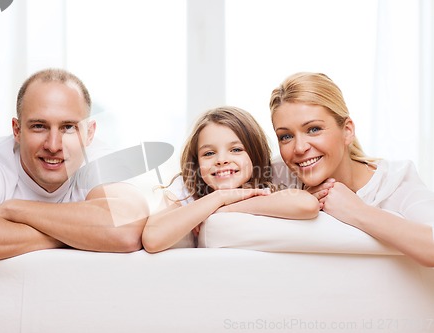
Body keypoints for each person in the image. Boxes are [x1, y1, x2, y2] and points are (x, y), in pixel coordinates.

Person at [0, 68, 149, 265]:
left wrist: (15, 209)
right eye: (39, 126)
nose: (53, 145)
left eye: (68, 127)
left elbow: (128, 230)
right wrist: (79, 234)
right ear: (16, 130)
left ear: (89, 133)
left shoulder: (100, 160)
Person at [269, 71, 434, 267]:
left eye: (313, 129)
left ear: (347, 131)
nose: (299, 148)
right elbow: (224, 203)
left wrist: (356, 211)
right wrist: (298, 201)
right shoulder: (279, 173)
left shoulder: (394, 180)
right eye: (285, 136)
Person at [142, 106, 319, 253]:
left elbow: (307, 204)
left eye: (235, 150)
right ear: (197, 163)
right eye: (209, 153)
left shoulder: (267, 181)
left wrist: (225, 209)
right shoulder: (187, 188)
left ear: (254, 155)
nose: (221, 160)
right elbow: (152, 238)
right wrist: (219, 198)